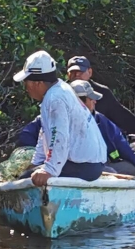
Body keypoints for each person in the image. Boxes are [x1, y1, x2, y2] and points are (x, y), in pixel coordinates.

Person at [19, 80, 135, 177]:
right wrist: (37, 160)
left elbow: (120, 143)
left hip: (97, 166)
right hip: (64, 167)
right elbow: (29, 136)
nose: (95, 102)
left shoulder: (100, 119)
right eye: (91, 99)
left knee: (116, 172)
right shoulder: (52, 115)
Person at [13, 50, 107, 186]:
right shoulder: (59, 89)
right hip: (91, 163)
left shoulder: (55, 99)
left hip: (86, 166)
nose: (26, 88)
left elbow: (59, 137)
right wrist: (35, 163)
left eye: (26, 82)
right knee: (29, 172)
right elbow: (45, 133)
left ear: (38, 83)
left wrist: (49, 170)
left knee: (25, 179)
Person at [66, 56, 135, 142]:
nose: (77, 75)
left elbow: (118, 112)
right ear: (67, 74)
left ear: (90, 72)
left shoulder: (102, 92)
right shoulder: (60, 93)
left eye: (80, 71)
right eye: (73, 72)